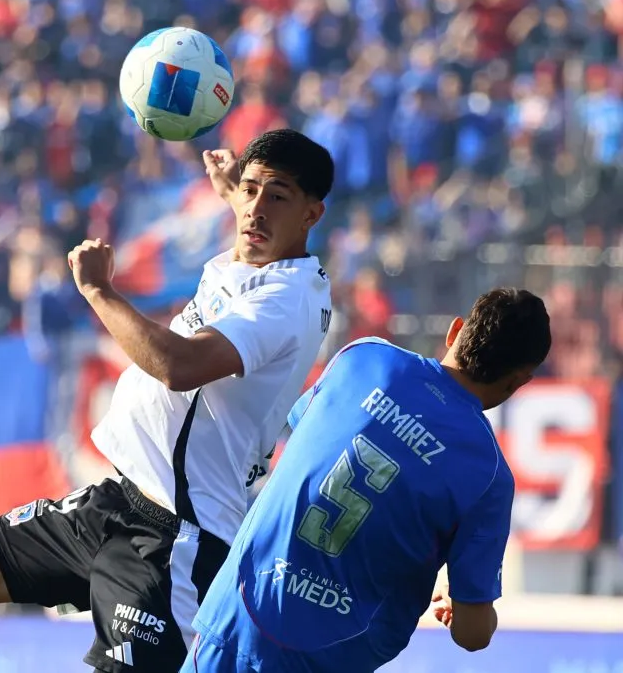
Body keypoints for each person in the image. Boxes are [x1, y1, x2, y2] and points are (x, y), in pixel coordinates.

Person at [0, 129, 335, 673]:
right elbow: (253, 207)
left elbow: (178, 367)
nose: (255, 209)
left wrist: (99, 292)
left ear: (311, 215)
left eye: (276, 196)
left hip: (174, 539)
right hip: (110, 503)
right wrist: (236, 187)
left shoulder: (287, 299)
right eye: (249, 190)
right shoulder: (253, 252)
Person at [182, 288, 552, 673]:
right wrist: (468, 609)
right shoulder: (488, 474)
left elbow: (304, 434)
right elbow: (472, 635)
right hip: (326, 658)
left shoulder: (362, 358)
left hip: (238, 613)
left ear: (454, 330)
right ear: (518, 381)